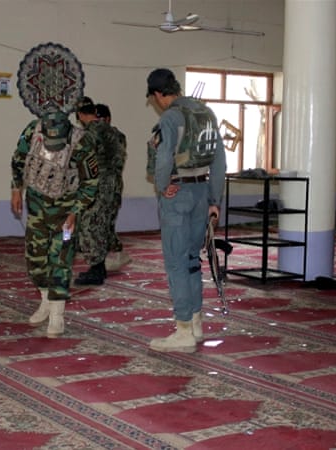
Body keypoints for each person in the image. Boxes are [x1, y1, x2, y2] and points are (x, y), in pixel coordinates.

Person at [145, 68, 227, 353]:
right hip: (202, 192)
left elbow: (163, 158)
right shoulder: (206, 113)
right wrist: (215, 199)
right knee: (193, 259)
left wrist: (161, 185)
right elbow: (219, 162)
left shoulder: (169, 118)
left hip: (178, 195)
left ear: (157, 95)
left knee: (177, 263)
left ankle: (182, 332)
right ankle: (195, 323)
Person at [11, 106, 99, 337]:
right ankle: (45, 301)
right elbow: (18, 160)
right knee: (35, 259)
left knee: (60, 259)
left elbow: (91, 183)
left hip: (66, 209)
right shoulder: (32, 132)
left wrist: (75, 212)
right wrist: (16, 190)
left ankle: (57, 315)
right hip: (37, 205)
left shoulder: (81, 143)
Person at [73, 97, 117, 285]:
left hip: (96, 184)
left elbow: (79, 159)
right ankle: (100, 268)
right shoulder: (113, 132)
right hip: (112, 184)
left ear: (81, 115)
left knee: (91, 225)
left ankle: (96, 270)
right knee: (102, 224)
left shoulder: (89, 133)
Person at [95, 103, 132, 272]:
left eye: (101, 119)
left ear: (108, 119)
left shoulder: (116, 136)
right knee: (101, 223)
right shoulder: (92, 135)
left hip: (110, 185)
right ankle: (114, 252)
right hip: (96, 185)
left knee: (105, 222)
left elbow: (115, 162)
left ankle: (105, 259)